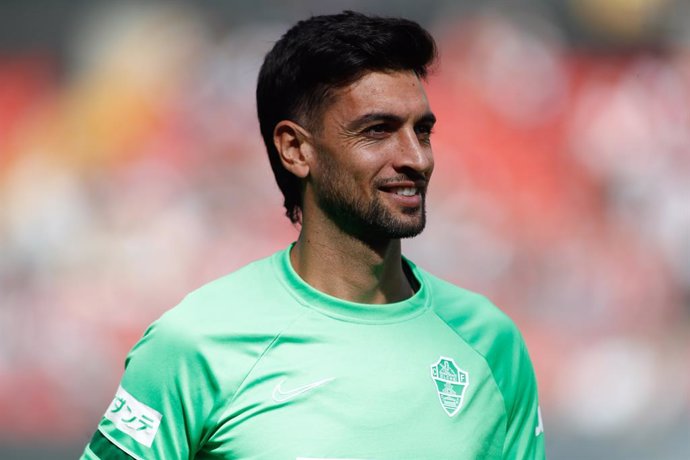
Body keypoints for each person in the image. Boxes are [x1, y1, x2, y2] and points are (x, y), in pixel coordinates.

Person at [81, 10, 545, 459]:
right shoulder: (194, 345)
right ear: (296, 149)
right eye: (378, 130)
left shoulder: (490, 343)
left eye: (421, 131)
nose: (416, 158)